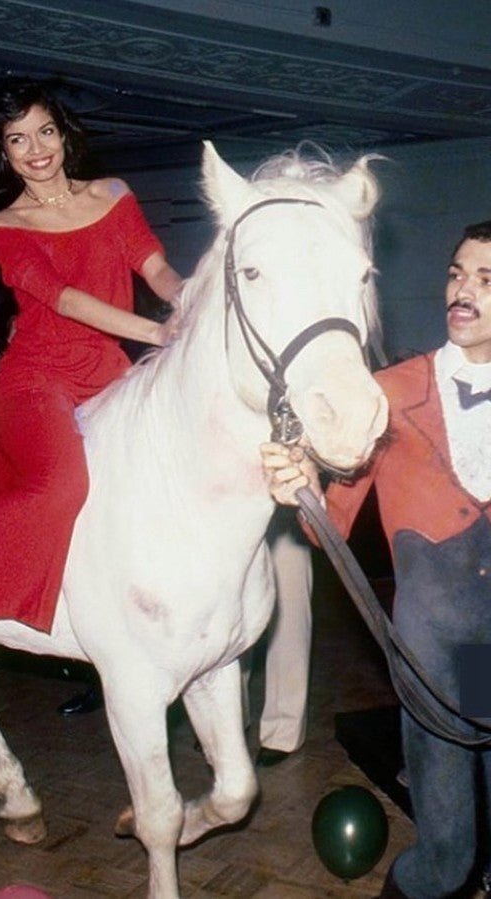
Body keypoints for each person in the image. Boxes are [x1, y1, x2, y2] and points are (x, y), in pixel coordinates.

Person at [0, 79, 183, 629]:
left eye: (45, 131)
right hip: (34, 381)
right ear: (1, 153)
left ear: (64, 134)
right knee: (62, 484)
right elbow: (66, 300)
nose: (37, 148)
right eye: (17, 139)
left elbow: (153, 265)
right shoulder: (4, 227)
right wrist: (157, 332)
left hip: (109, 374)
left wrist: (190, 299)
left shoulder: (113, 194)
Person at [261, 219, 491, 898]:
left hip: (488, 654)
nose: (463, 291)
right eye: (457, 273)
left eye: (486, 280)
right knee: (446, 852)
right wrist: (293, 484)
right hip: (428, 654)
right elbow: (327, 516)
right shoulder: (386, 391)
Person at [253, 507, 313, 767]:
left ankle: (283, 730)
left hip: (283, 506)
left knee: (289, 609)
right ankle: (224, 723)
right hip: (224, 498)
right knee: (227, 620)